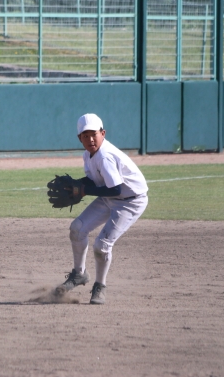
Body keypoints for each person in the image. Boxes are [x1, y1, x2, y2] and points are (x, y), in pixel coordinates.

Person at [56, 113, 149, 305]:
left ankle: (100, 286)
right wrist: (76, 185)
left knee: (102, 245)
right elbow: (95, 181)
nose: (90, 139)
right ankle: (79, 274)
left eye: (94, 134)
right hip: (109, 198)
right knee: (77, 228)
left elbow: (115, 189)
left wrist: (83, 191)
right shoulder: (88, 154)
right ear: (79, 138)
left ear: (103, 134)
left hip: (130, 202)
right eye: (86, 135)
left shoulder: (106, 156)